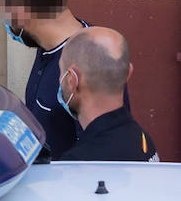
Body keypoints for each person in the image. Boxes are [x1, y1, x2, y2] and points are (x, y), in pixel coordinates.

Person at [0, 0, 92, 157]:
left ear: (20, 9)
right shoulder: (46, 47)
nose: (5, 20)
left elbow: (93, 160)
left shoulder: (88, 61)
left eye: (4, 10)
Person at [54, 28, 159, 162]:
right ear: (128, 73)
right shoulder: (143, 140)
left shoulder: (78, 162)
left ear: (72, 80)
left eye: (61, 72)